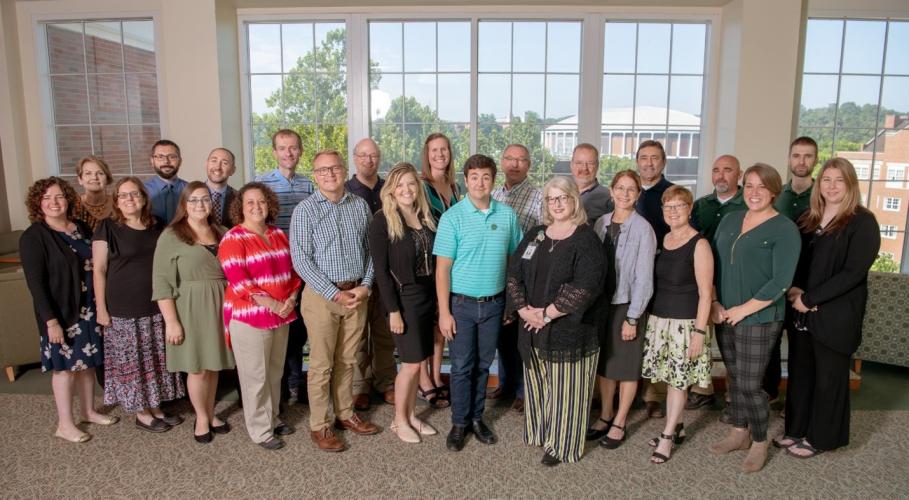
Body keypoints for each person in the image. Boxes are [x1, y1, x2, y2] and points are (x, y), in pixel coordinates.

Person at [776, 158, 879, 458]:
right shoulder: (809, 219)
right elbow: (796, 261)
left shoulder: (862, 221)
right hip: (802, 310)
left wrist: (811, 299)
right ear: (818, 185)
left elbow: (853, 273)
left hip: (835, 314)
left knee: (829, 379)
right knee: (801, 373)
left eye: (839, 180)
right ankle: (795, 430)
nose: (831, 186)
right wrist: (794, 290)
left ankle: (822, 438)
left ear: (850, 185)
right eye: (826, 180)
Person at [506, 176, 604, 466]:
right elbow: (514, 272)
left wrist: (547, 314)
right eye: (551, 198)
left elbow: (585, 286)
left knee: (567, 392)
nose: (557, 204)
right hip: (531, 328)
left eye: (563, 197)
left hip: (569, 331)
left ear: (574, 200)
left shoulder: (586, 238)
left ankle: (562, 445)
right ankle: (541, 433)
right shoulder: (537, 234)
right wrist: (523, 310)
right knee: (538, 385)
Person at [709, 163, 800, 473]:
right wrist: (715, 302)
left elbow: (780, 281)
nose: (754, 192)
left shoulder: (784, 228)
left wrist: (743, 310)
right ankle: (739, 431)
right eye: (749, 185)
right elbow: (715, 264)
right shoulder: (731, 220)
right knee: (735, 378)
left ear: (774, 191)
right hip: (725, 314)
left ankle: (759, 441)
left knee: (750, 383)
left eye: (762, 187)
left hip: (759, 317)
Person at [290, 149, 379, 452]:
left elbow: (372, 252)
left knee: (348, 360)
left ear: (344, 170)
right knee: (321, 365)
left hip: (357, 295)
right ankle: (320, 424)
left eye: (335, 168)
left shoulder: (360, 206)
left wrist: (365, 286)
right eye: (322, 170)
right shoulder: (305, 210)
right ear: (315, 176)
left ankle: (345, 414)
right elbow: (301, 260)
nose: (329, 174)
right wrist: (334, 293)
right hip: (322, 298)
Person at [434, 154, 522, 452]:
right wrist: (444, 312)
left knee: (484, 366)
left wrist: (512, 303)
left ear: (493, 180)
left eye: (486, 177)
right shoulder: (452, 217)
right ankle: (459, 422)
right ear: (466, 180)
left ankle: (476, 418)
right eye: (474, 177)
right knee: (461, 366)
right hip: (461, 306)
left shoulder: (507, 216)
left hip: (494, 304)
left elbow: (515, 261)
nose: (480, 182)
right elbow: (442, 269)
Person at [20, 177, 115, 443]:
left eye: (59, 196)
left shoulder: (81, 227)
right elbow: (35, 284)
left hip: (88, 307)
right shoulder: (34, 236)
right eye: (47, 198)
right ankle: (65, 424)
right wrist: (51, 321)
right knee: (64, 369)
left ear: (68, 200)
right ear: (38, 203)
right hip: (61, 314)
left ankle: (88, 411)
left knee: (88, 364)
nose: (54, 203)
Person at [93, 177, 185, 433]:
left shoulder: (156, 225)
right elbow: (99, 269)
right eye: (123, 196)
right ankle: (142, 413)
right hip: (123, 306)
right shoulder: (107, 227)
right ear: (117, 202)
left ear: (144, 198)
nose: (129, 199)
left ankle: (155, 406)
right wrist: (101, 308)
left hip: (156, 303)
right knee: (133, 361)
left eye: (134, 194)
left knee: (154, 358)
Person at [218, 182, 302, 450]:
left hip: (282, 315)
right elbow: (239, 281)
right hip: (250, 318)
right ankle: (260, 430)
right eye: (250, 202)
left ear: (269, 205)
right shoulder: (233, 238)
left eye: (261, 201)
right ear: (240, 208)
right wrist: (274, 304)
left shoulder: (278, 234)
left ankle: (273, 418)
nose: (256, 207)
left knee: (275, 373)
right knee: (255, 377)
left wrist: (290, 299)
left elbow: (293, 271)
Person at [152, 181, 235, 444]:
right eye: (194, 200)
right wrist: (172, 322)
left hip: (221, 304)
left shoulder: (221, 231)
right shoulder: (172, 235)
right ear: (184, 205)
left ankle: (210, 413)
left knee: (212, 365)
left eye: (205, 199)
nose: (200, 205)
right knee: (197, 368)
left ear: (212, 204)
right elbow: (161, 281)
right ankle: (201, 416)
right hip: (190, 307)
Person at [641, 185, 714, 464]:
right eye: (668, 207)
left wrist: (699, 331)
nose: (673, 211)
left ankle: (668, 435)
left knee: (677, 382)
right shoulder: (664, 240)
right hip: (661, 321)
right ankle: (678, 426)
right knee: (671, 379)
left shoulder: (700, 244)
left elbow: (706, 293)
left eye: (679, 206)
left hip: (686, 324)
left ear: (689, 209)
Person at [368, 163, 439, 443]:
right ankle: (399, 421)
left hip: (425, 296)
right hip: (403, 299)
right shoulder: (382, 220)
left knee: (418, 360)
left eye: (411, 184)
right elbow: (381, 272)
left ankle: (411, 416)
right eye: (400, 185)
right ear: (391, 190)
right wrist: (394, 310)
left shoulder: (425, 216)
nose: (406, 190)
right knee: (410, 365)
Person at [590, 170, 656, 449]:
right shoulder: (600, 223)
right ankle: (605, 415)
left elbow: (644, 277)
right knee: (606, 365)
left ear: (638, 194)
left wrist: (633, 317)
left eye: (631, 189)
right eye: (620, 188)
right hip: (603, 305)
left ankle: (620, 421)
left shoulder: (643, 229)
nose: (625, 194)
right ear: (612, 190)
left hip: (628, 306)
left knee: (627, 367)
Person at [255, 129, 314, 405]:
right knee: (279, 326)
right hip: (274, 266)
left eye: (293, 148)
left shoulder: (308, 185)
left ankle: (295, 383)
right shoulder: (262, 184)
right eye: (282, 148)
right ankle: (278, 387)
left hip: (302, 264)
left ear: (300, 151)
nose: (288, 153)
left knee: (300, 328)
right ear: (274, 152)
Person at [687, 154, 745, 415]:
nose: (721, 175)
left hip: (735, 282)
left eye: (728, 170)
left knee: (733, 342)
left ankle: (734, 396)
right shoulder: (701, 206)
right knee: (701, 336)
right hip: (704, 283)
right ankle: (702, 390)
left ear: (739, 174)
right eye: (716, 170)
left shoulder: (748, 204)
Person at [766, 136, 819, 406]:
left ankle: (796, 402)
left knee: (801, 345)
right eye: (797, 155)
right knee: (772, 341)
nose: (802, 161)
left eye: (808, 156)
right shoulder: (777, 196)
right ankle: (771, 392)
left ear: (815, 160)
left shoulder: (822, 196)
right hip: (778, 279)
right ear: (789, 159)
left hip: (808, 282)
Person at [490, 143, 543, 413]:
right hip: (497, 273)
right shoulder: (493, 194)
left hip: (524, 274)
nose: (514, 164)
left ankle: (524, 390)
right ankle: (506, 384)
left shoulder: (538, 196)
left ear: (528, 165)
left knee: (523, 335)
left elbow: (543, 235)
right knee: (502, 333)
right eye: (509, 158)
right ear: (502, 161)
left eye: (521, 160)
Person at [347, 138, 396, 411]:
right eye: (363, 155)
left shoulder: (388, 189)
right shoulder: (345, 191)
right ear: (355, 159)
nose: (369, 160)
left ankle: (386, 382)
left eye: (374, 155)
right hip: (357, 274)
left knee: (384, 333)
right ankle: (360, 386)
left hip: (386, 274)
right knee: (358, 336)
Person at [419, 132, 460, 408]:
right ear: (427, 154)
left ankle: (436, 376)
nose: (439, 154)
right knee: (422, 323)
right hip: (425, 262)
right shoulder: (421, 185)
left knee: (438, 324)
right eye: (434, 150)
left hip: (449, 263)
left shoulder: (455, 187)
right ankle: (423, 380)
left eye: (443, 149)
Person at [635, 139, 675, 419]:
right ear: (637, 161)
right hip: (628, 273)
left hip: (660, 272)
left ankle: (652, 395)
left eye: (655, 158)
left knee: (655, 335)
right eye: (644, 158)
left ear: (663, 162)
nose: (649, 163)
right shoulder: (628, 189)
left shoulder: (670, 193)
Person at [144, 139, 188, 225]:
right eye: (160, 157)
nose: (166, 161)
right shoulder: (142, 191)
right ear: (152, 161)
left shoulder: (190, 190)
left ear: (180, 161)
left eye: (172, 156)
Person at [570, 143, 613, 222]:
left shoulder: (609, 198)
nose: (584, 168)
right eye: (579, 163)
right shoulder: (559, 193)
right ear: (571, 165)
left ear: (597, 166)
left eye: (590, 163)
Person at [73, 156, 114, 231]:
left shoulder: (119, 204)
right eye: (88, 173)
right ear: (80, 180)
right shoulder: (73, 206)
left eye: (100, 173)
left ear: (107, 178)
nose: (94, 177)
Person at [204, 147, 238, 228]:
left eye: (224, 163)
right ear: (206, 165)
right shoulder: (190, 195)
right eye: (214, 161)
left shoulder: (239, 198)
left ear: (233, 170)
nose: (218, 167)